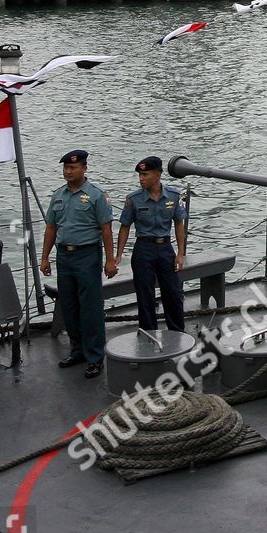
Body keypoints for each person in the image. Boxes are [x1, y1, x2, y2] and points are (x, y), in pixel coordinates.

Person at [40, 150, 116, 378]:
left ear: (84, 168)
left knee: (90, 307)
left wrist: (110, 260)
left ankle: (94, 356)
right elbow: (51, 228)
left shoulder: (96, 195)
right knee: (69, 305)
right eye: (65, 168)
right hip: (64, 256)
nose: (68, 171)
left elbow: (106, 229)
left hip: (87, 255)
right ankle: (77, 351)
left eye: (73, 168)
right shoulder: (58, 196)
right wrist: (45, 257)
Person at [115, 156, 188, 332]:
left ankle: (177, 332)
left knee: (172, 293)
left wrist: (180, 253)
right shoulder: (133, 199)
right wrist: (118, 254)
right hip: (143, 249)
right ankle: (149, 333)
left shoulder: (173, 195)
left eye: (145, 174)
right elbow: (125, 227)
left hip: (165, 248)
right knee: (145, 295)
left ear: (158, 174)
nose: (141, 179)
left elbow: (179, 224)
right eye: (140, 175)